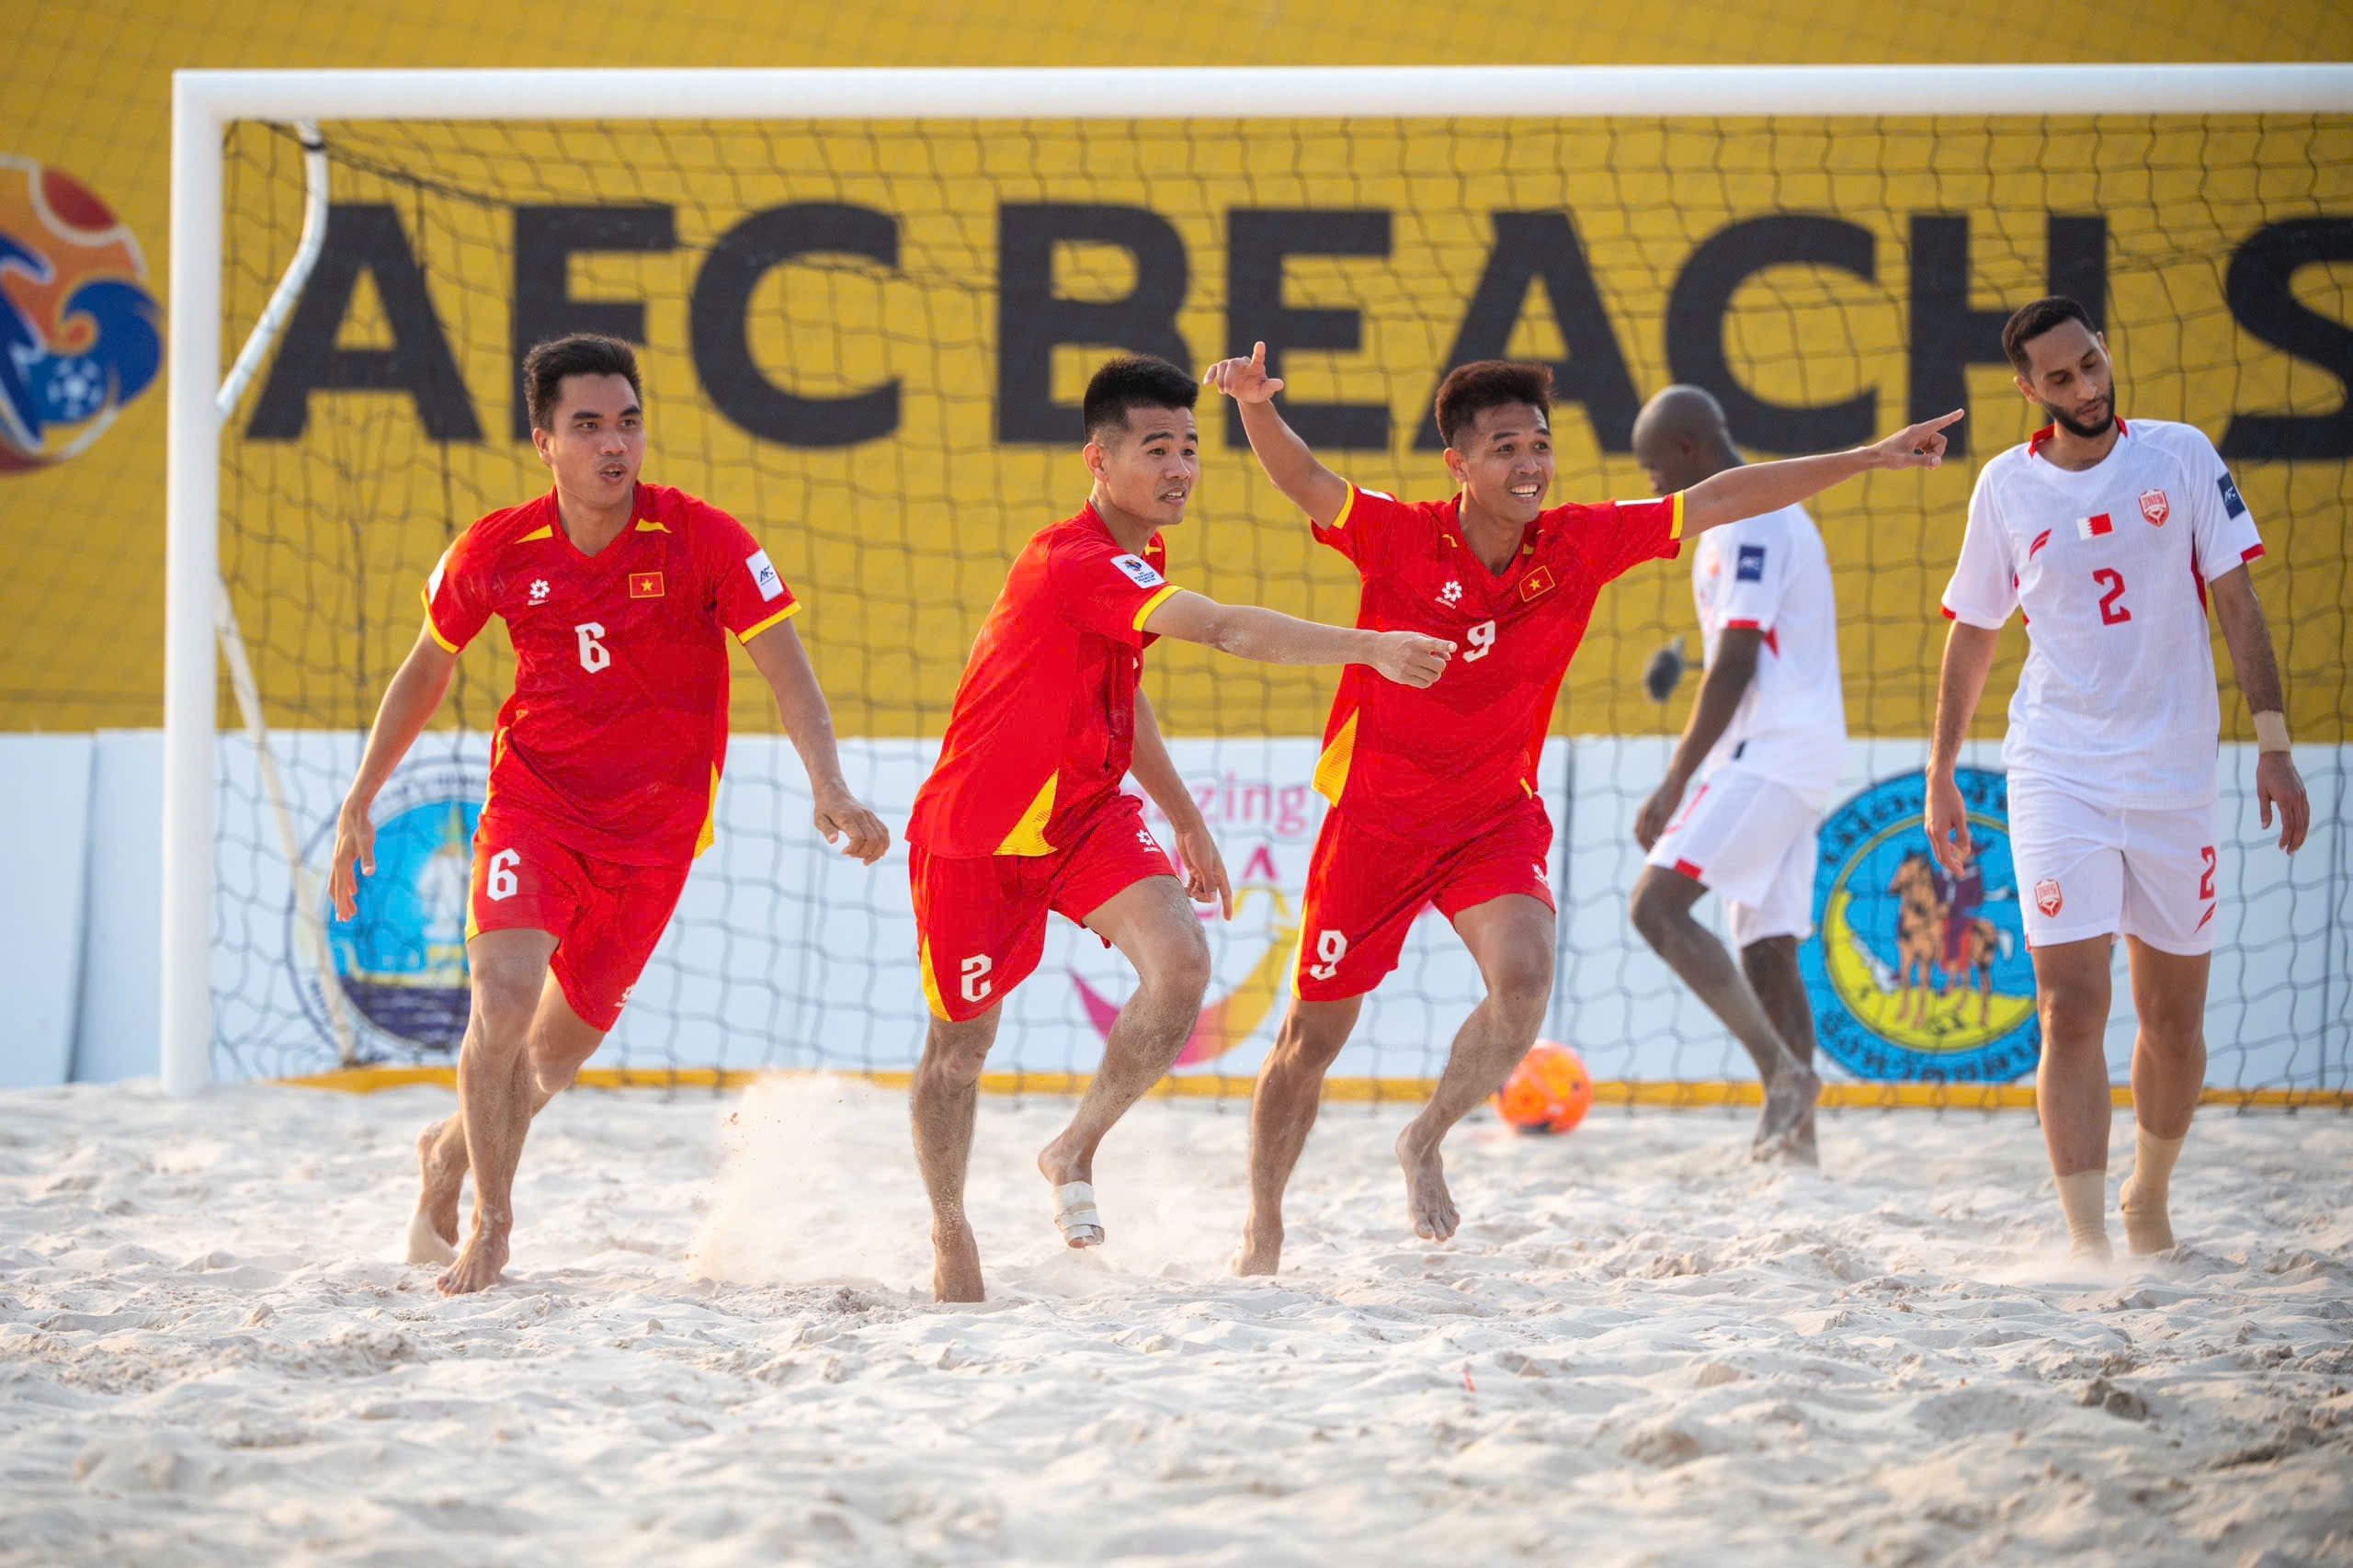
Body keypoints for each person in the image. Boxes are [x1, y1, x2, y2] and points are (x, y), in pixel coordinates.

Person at [1204, 342, 1961, 1274]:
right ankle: (1263, 1225)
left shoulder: (1577, 541)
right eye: (1504, 448)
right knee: (1308, 1042)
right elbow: (1305, 480)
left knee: (1523, 981)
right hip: (1377, 820)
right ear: (1459, 465)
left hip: (1492, 817)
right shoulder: (1401, 535)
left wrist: (1869, 455)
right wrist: (1253, 405)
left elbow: (1721, 497)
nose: (1529, 464)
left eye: (1540, 444)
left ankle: (1426, 1136)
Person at [328, 333, 889, 1296]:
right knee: (501, 998)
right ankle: (493, 1225)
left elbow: (785, 664)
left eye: (627, 422)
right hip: (535, 805)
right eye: (587, 426)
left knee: (546, 1062)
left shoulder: (703, 536)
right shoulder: (497, 548)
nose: (613, 444)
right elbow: (430, 665)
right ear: (544, 439)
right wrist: (359, 797)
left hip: (656, 834)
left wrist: (828, 782)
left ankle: (449, 1153)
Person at [904, 353, 1453, 1302]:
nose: (1182, 467)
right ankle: (952, 1228)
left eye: (1191, 448)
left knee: (1183, 966)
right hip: (977, 835)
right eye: (1157, 447)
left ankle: (1073, 1144)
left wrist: (1188, 817)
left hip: (1081, 813)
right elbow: (1228, 630)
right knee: (959, 1049)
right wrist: (1368, 646)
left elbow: (1127, 689)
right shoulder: (1070, 558)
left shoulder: (1139, 555)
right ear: (1099, 458)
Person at [1927, 296, 2309, 1260]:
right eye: (2060, 378)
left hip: (2175, 770)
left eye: (2091, 363)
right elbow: (1973, 633)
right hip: (2059, 764)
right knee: (2069, 1002)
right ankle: (2088, 1243)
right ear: (2029, 391)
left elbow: (2237, 600)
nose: (2086, 386)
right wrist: (1940, 772)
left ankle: (2150, 1197)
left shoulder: (2179, 456)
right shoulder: (2005, 489)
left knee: (2174, 1023)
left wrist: (2273, 744)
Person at [1628, 384, 1847, 1165]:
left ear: (1690, 449)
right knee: (1769, 945)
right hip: (1795, 749)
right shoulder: (1744, 521)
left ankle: (1782, 1076)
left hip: (1775, 749)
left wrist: (1675, 779)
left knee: (1657, 907)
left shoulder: (1754, 515)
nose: (1654, 487)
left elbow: (1739, 661)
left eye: (1656, 470)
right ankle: (1800, 1149)